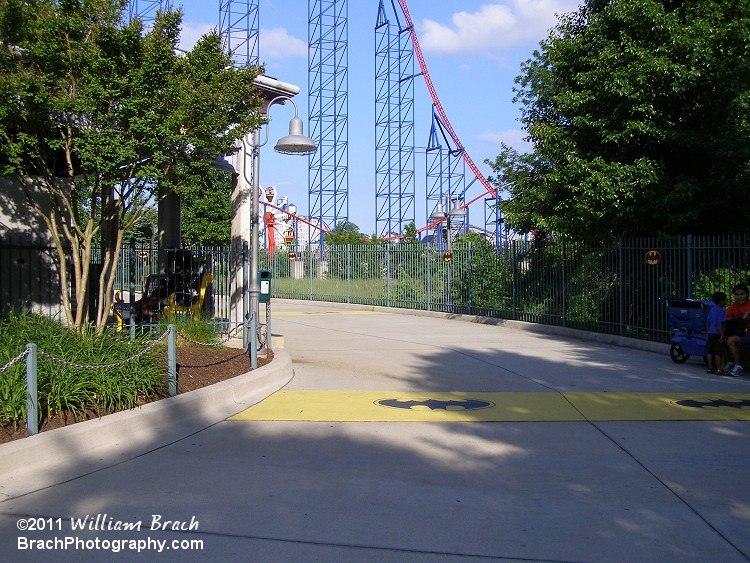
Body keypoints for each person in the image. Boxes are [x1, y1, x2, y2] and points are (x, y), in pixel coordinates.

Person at [721, 283, 750, 376]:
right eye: (737, 295)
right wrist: (740, 319)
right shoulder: (734, 306)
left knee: (731, 340)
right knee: (722, 339)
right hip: (741, 332)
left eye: (742, 294)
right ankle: (730, 363)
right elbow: (725, 317)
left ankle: (739, 366)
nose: (739, 297)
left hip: (748, 333)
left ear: (746, 295)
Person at [705, 291, 726, 374]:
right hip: (717, 333)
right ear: (721, 301)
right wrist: (722, 334)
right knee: (718, 352)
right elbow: (719, 323)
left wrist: (707, 331)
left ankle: (710, 367)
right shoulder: (721, 311)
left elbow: (708, 321)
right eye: (725, 300)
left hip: (710, 332)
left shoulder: (712, 309)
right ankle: (719, 369)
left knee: (710, 351)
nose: (726, 302)